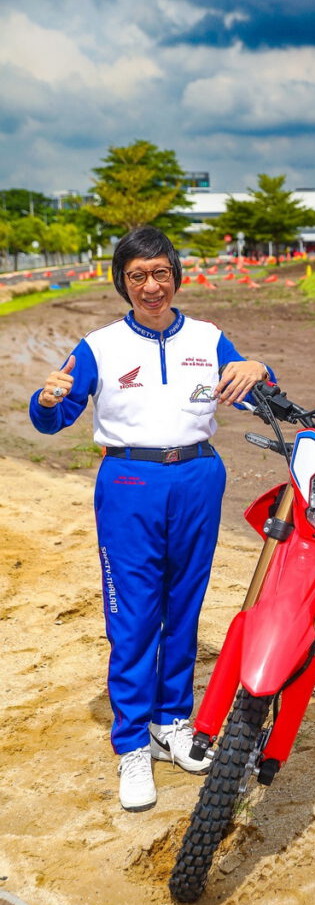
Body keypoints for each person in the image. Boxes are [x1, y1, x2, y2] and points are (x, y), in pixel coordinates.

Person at [29, 226, 274, 813]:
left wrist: (258, 368)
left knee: (184, 608)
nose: (150, 286)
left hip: (196, 477)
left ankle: (173, 723)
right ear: (123, 283)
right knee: (135, 615)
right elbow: (52, 418)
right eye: (137, 276)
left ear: (176, 276)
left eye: (160, 273)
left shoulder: (209, 338)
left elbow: (258, 395)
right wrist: (46, 400)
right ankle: (134, 744)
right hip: (129, 484)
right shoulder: (99, 346)